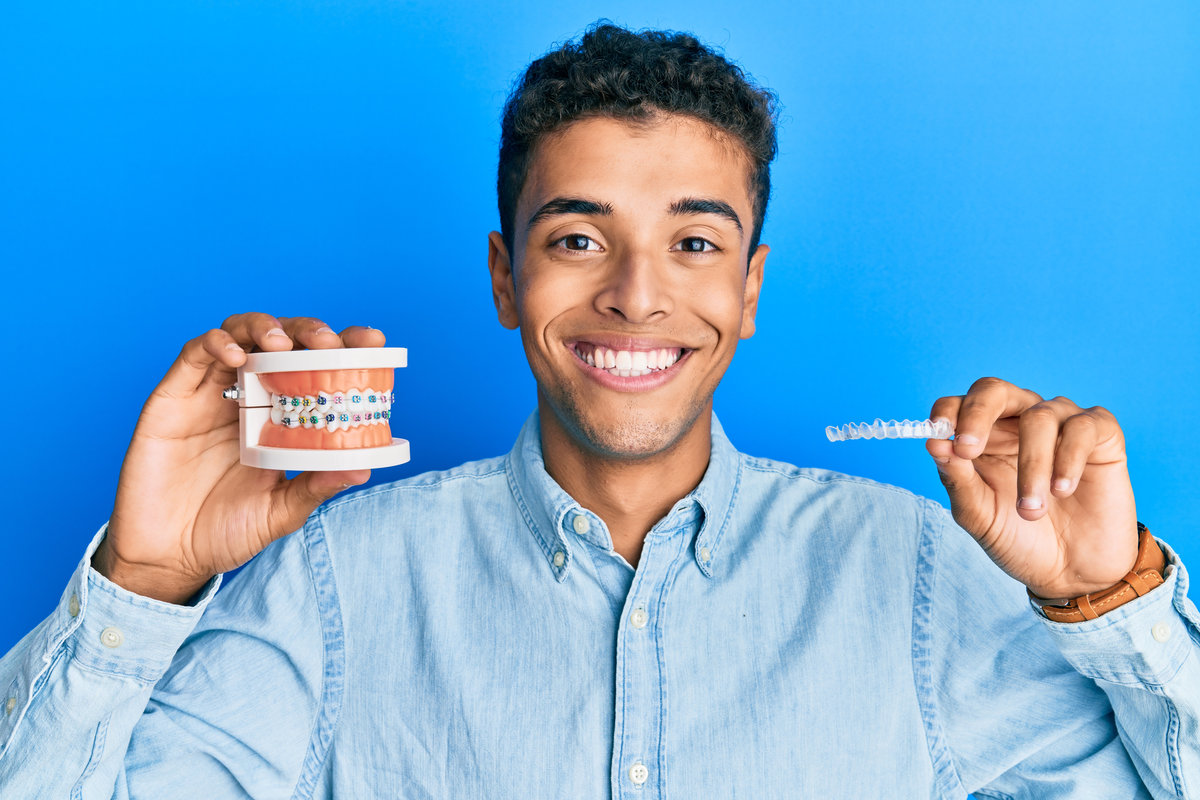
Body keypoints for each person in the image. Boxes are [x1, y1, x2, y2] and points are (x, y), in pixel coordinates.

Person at [1, 23, 1197, 799]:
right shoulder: (337, 583)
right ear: (505, 278)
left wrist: (1110, 599)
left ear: (749, 289)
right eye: (579, 238)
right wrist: (146, 577)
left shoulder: (922, 576)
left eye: (692, 241)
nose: (636, 296)